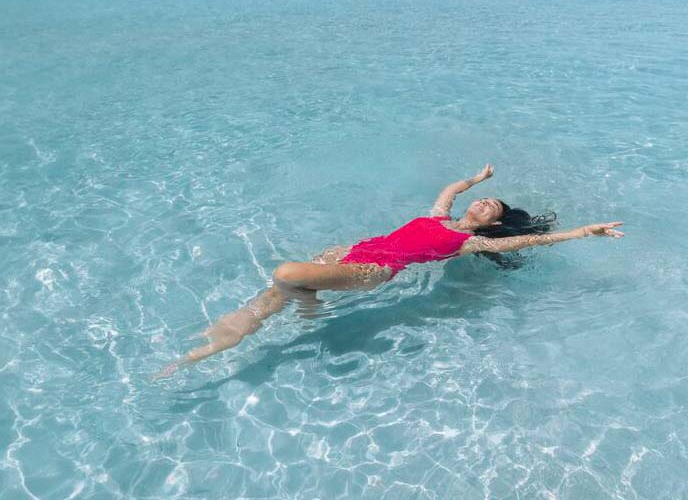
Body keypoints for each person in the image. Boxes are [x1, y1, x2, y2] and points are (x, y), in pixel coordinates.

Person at [156, 164, 623, 377]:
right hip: (353, 252)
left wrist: (585, 233)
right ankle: (204, 351)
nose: (482, 202)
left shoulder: (468, 241)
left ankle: (306, 299)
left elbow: (535, 239)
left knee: (284, 274)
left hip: (374, 269)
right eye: (482, 198)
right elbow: (448, 188)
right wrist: (476, 180)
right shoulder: (441, 216)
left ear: (493, 222)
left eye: (490, 205)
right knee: (266, 300)